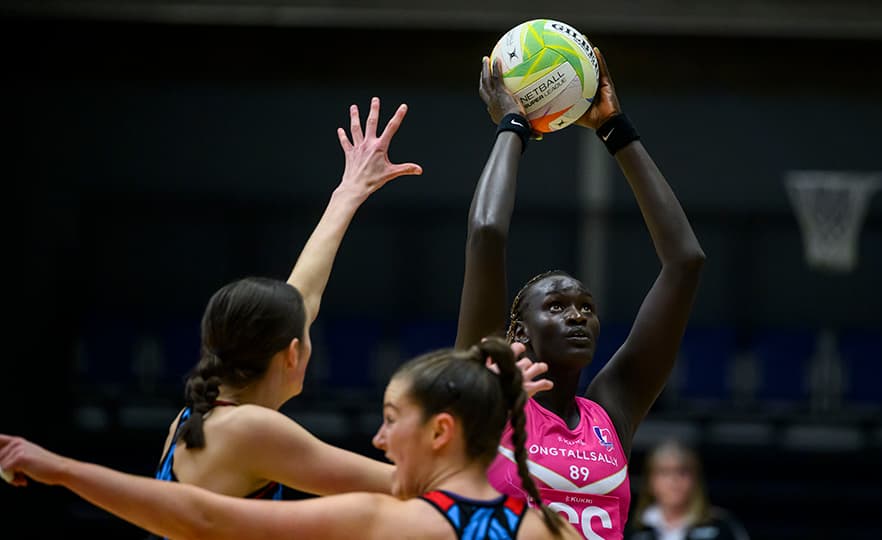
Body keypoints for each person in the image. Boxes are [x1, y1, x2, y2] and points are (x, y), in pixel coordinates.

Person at [456, 48, 706, 539]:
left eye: (586, 308)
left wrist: (616, 130)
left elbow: (685, 263)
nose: (577, 317)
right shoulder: (485, 394)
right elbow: (487, 233)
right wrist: (511, 125)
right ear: (518, 331)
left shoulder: (612, 407)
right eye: (556, 307)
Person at [0, 339, 580, 540]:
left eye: (390, 417)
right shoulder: (547, 527)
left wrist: (64, 470)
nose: (379, 438)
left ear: (439, 431)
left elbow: (203, 520)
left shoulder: (384, 521)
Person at [148, 97, 422, 507]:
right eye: (306, 330)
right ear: (292, 354)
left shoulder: (193, 418)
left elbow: (301, 297)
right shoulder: (253, 430)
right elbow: (405, 485)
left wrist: (349, 192)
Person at [627, 440, 750, 540]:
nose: (674, 480)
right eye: (664, 472)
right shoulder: (631, 528)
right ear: (650, 481)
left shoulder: (721, 526)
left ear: (695, 479)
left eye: (682, 472)